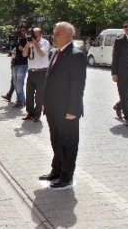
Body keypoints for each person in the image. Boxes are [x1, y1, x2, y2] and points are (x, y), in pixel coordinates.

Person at [40, 21, 87, 190]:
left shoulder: (76, 55)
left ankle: (67, 176)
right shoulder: (54, 52)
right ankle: (57, 170)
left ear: (69, 36)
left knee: (68, 143)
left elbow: (78, 85)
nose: (54, 36)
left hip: (68, 110)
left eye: (57, 33)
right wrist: (45, 103)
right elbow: (50, 80)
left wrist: (73, 110)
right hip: (53, 108)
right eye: (54, 32)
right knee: (56, 141)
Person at [22, 28, 50, 122]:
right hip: (31, 72)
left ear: (40, 34)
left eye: (35, 34)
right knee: (29, 94)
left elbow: (42, 54)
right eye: (33, 34)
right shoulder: (30, 43)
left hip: (42, 72)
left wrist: (35, 44)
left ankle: (37, 115)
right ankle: (30, 113)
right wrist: (27, 44)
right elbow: (24, 54)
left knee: (39, 96)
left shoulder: (45, 42)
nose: (34, 35)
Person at [13, 24, 29, 108]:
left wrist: (22, 49)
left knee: (19, 83)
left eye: (23, 30)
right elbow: (16, 48)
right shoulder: (18, 38)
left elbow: (28, 52)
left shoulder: (28, 39)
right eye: (20, 30)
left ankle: (20, 101)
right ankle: (22, 100)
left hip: (23, 64)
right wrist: (13, 52)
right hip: (15, 63)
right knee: (16, 83)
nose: (22, 32)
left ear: (26, 30)